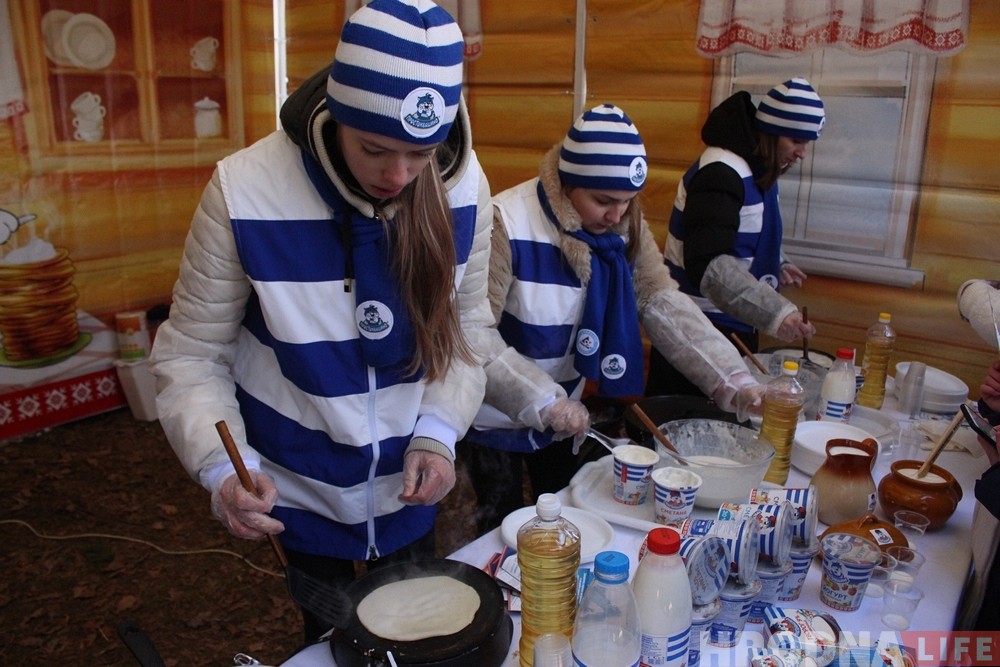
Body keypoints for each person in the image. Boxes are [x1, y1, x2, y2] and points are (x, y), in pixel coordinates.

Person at [148, 0, 495, 641]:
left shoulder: (465, 187)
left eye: (421, 154)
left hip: (411, 480)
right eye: (374, 149)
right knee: (331, 640)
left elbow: (470, 329)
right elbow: (191, 351)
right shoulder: (245, 190)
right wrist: (222, 468)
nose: (398, 175)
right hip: (296, 487)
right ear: (337, 116)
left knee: (421, 635)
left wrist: (439, 431)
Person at [460, 104, 765, 534]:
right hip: (496, 409)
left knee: (563, 516)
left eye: (627, 201)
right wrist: (542, 399)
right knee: (500, 522)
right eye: (603, 201)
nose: (617, 215)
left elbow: (659, 300)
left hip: (565, 405)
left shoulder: (623, 226)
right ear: (567, 184)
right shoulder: (506, 222)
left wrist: (731, 377)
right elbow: (473, 333)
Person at [646, 78, 824, 397]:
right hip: (700, 331)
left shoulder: (757, 165)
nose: (802, 153)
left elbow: (746, 228)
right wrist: (776, 313)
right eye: (796, 140)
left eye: (808, 143)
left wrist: (775, 261)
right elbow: (707, 263)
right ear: (770, 131)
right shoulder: (721, 172)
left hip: (733, 321)